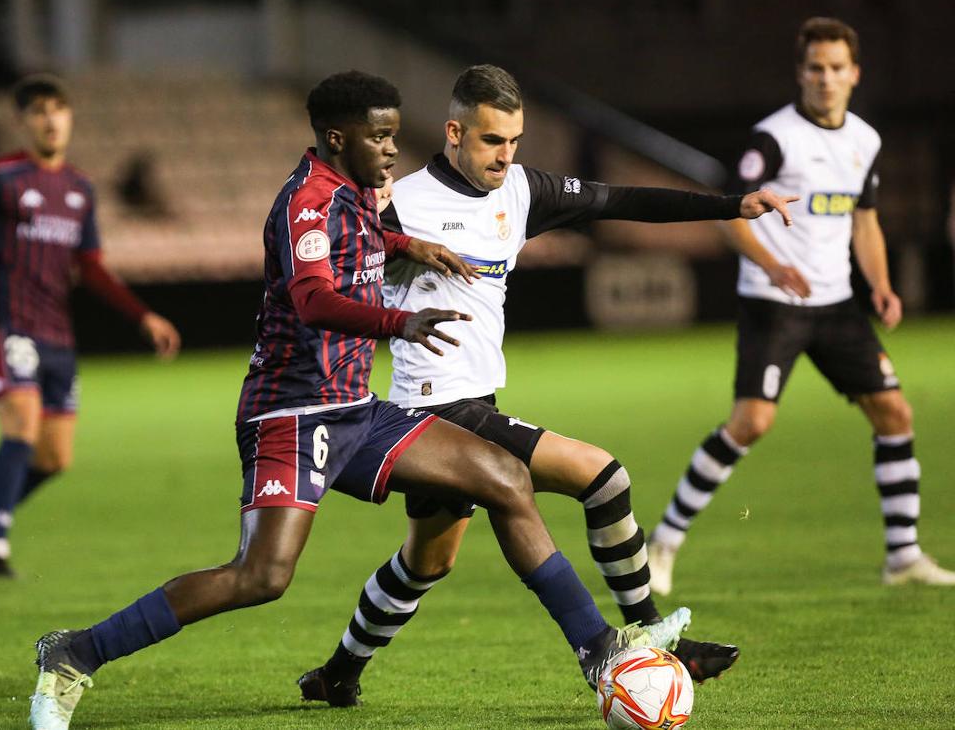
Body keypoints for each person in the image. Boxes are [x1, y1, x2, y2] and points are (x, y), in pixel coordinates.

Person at [26, 71, 693, 730]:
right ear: (338, 137)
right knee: (262, 576)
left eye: (395, 135)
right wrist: (400, 322)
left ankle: (597, 647)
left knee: (504, 477)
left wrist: (410, 245)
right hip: (290, 413)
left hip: (356, 407)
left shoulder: (355, 193)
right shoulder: (305, 205)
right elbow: (313, 299)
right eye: (380, 137)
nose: (392, 150)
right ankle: (76, 651)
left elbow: (367, 244)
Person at [295, 64, 796, 706]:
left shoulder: (521, 191)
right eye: (491, 141)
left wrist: (731, 206)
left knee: (428, 561)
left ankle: (338, 674)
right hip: (431, 406)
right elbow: (331, 286)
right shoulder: (400, 203)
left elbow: (620, 200)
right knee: (602, 476)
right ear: (454, 131)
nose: (505, 156)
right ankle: (650, 640)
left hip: (475, 401)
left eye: (514, 142)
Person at [647, 17, 955, 594]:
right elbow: (730, 213)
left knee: (895, 414)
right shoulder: (774, 138)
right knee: (752, 422)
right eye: (816, 67)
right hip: (774, 303)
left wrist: (881, 286)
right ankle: (664, 541)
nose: (826, 78)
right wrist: (773, 266)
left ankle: (904, 555)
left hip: (837, 306)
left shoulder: (865, 140)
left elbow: (864, 221)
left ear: (854, 74)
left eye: (837, 67)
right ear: (800, 73)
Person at [0, 75, 182, 577]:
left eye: (59, 110)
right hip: (5, 324)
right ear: (23, 121)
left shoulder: (79, 187)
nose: (51, 120)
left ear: (70, 118)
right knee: (21, 427)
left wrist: (142, 315)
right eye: (40, 111)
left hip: (58, 335)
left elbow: (89, 266)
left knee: (54, 458)